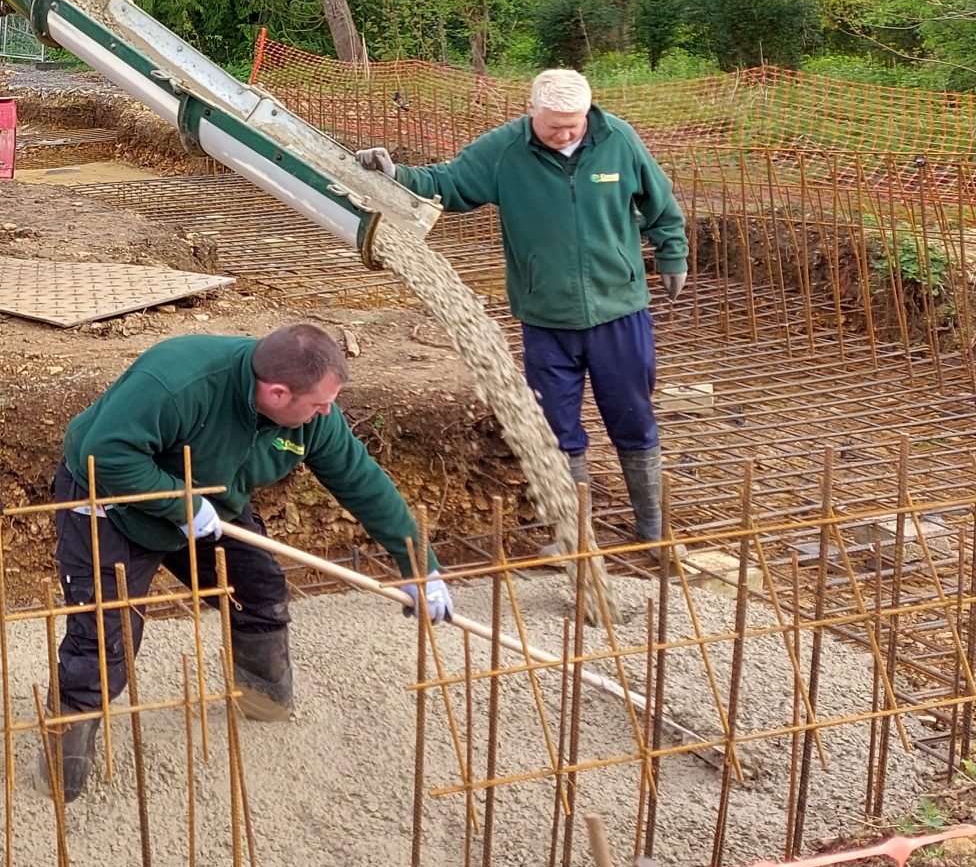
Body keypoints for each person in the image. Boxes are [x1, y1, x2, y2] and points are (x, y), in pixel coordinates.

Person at [45, 323, 451, 800]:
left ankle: (263, 697)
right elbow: (105, 453)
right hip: (113, 503)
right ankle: (66, 743)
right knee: (105, 633)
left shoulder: (313, 418)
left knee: (256, 591)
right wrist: (181, 506)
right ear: (278, 393)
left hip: (209, 504)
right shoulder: (178, 381)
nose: (327, 411)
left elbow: (362, 482)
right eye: (319, 402)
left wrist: (419, 566)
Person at [355, 68, 688, 545]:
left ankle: (652, 528)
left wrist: (672, 252)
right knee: (557, 428)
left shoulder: (618, 139)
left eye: (574, 123)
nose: (567, 132)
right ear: (532, 111)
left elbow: (660, 203)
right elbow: (447, 182)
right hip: (546, 318)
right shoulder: (505, 150)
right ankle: (575, 537)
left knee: (632, 417)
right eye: (554, 124)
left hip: (619, 311)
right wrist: (396, 173)